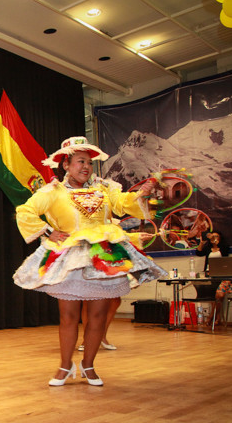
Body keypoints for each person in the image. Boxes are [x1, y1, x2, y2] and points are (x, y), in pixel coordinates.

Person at [13, 136, 167, 386]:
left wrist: (141, 194)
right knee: (68, 316)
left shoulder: (105, 188)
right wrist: (48, 231)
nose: (86, 167)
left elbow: (123, 204)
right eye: (80, 161)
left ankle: (88, 366)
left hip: (103, 256)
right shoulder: (53, 191)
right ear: (66, 165)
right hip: (70, 256)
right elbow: (26, 210)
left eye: (89, 162)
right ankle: (65, 366)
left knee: (97, 316)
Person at [195, 230, 232, 325]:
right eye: (212, 236)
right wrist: (202, 243)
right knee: (214, 296)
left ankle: (211, 316)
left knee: (220, 295)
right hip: (211, 274)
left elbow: (225, 253)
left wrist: (216, 242)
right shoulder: (208, 248)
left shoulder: (224, 247)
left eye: (216, 236)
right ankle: (218, 318)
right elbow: (198, 253)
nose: (213, 238)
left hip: (224, 274)